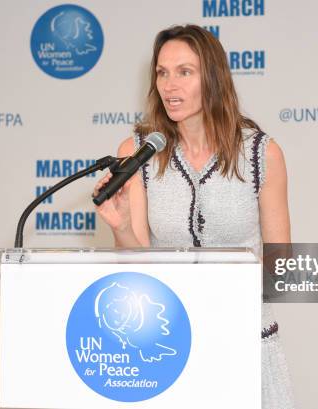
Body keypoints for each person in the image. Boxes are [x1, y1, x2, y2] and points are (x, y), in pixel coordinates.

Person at [93, 24, 295, 408]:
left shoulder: (261, 154)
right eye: (162, 73)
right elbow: (136, 264)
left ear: (213, 78)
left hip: (243, 342)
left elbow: (280, 267)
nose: (170, 85)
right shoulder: (137, 152)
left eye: (184, 72)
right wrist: (120, 227)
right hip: (167, 345)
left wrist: (225, 284)